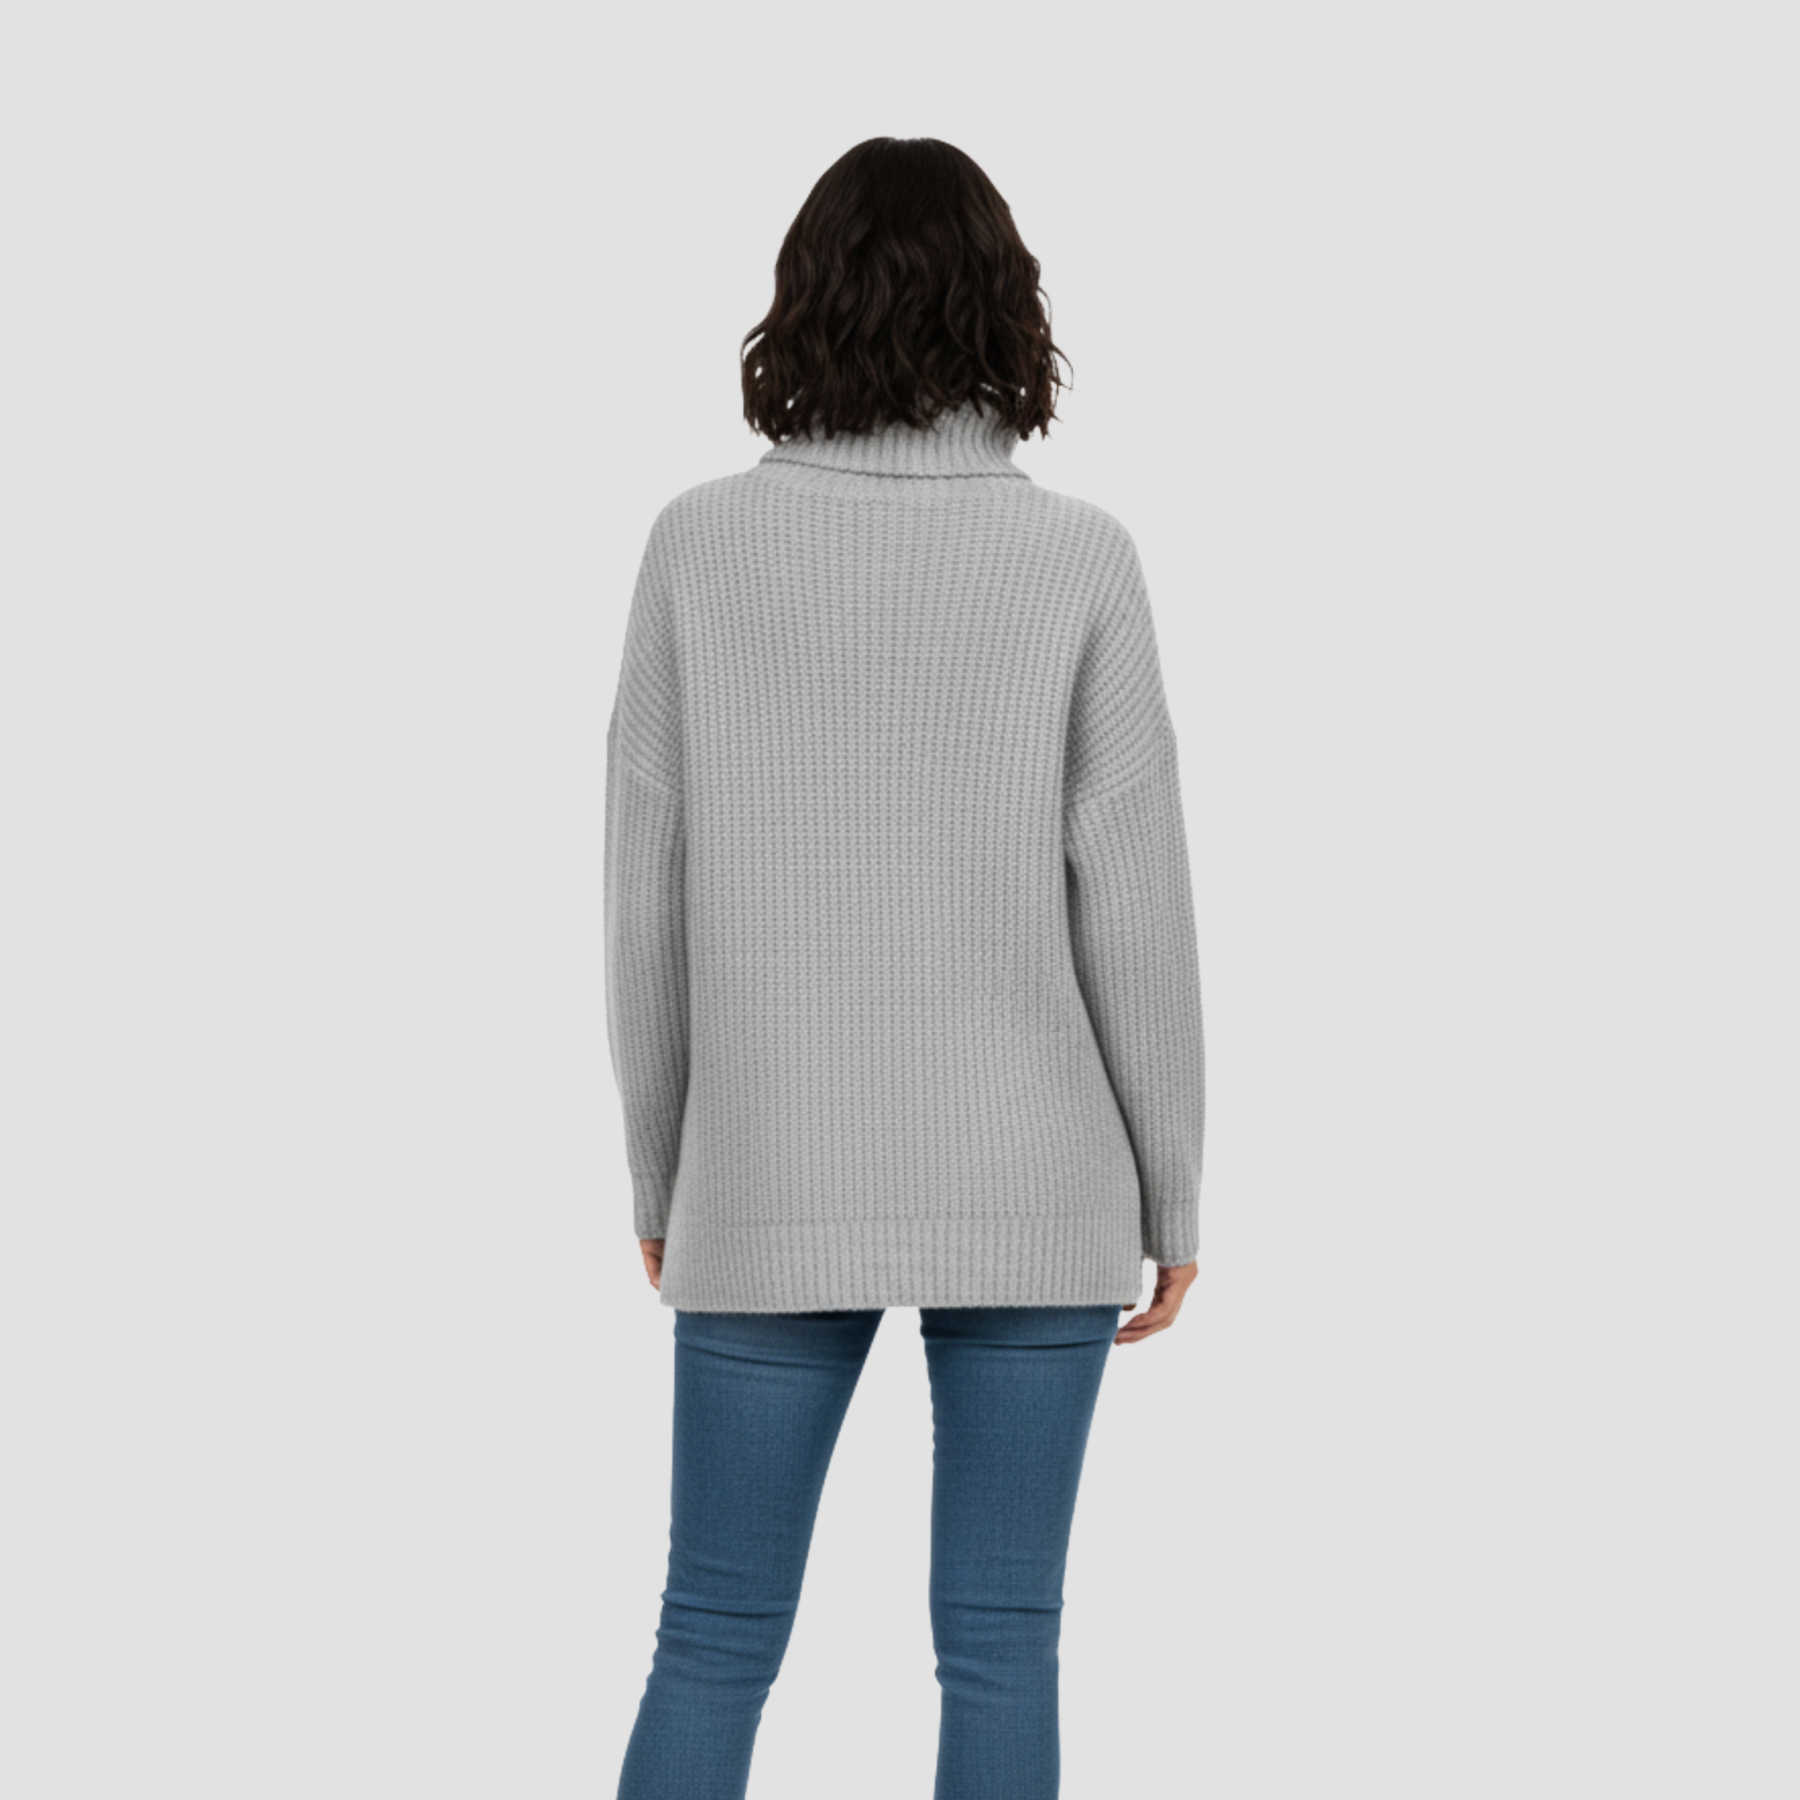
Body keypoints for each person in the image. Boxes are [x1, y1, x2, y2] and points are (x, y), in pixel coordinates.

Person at [607, 135, 1206, 1800]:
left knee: (712, 1638)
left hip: (767, 1167)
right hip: (1038, 1178)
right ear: (1007, 311)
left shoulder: (697, 548)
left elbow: (642, 895)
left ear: (802, 305)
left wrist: (662, 1171)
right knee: (1004, 1644)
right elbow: (1139, 905)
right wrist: (1173, 1193)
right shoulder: (1079, 558)